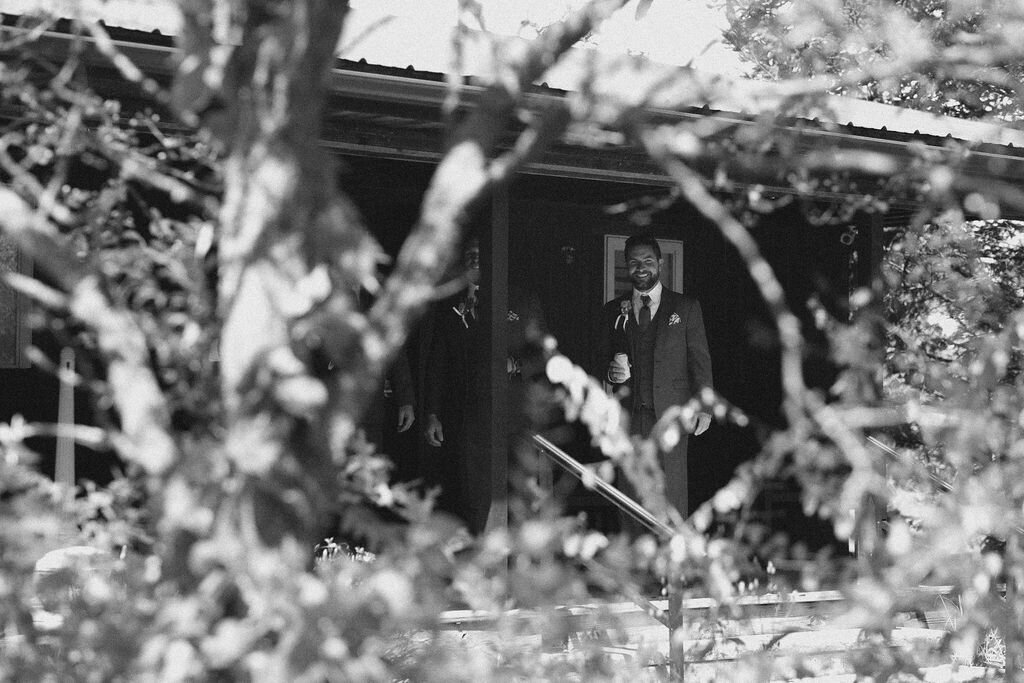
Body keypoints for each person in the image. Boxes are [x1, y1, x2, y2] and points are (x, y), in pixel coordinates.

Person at [601, 234, 713, 518]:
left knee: (672, 494)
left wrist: (705, 407)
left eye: (648, 261)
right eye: (634, 262)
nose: (641, 267)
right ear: (627, 267)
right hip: (629, 417)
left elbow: (699, 360)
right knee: (630, 493)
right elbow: (598, 361)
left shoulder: (685, 308)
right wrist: (611, 375)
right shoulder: (613, 310)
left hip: (671, 415)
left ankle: (672, 558)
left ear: (660, 264)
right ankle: (635, 558)